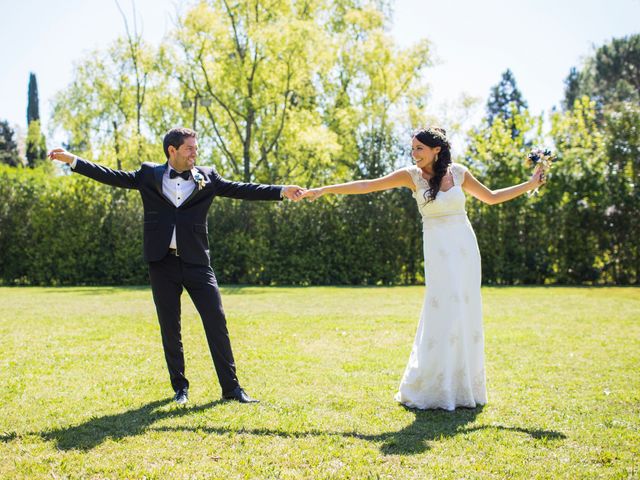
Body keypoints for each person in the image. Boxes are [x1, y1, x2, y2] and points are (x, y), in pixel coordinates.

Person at [49, 127, 305, 405]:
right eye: (189, 148)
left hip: (197, 262)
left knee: (216, 321)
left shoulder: (207, 176)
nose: (195, 153)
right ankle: (180, 389)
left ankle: (232, 389)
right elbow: (112, 176)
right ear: (172, 150)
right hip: (162, 262)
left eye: (196, 148)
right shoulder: (149, 175)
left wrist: (281, 191)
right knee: (170, 327)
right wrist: (73, 160)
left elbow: (242, 189)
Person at [301, 127, 545, 410]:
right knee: (441, 311)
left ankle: (464, 387)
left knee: (464, 312)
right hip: (438, 250)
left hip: (464, 248)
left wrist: (530, 184)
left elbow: (491, 197)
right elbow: (367, 185)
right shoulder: (411, 176)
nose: (414, 154)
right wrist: (324, 190)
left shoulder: (459, 173)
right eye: (412, 148)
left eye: (419, 148)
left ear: (436, 150)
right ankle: (434, 386)